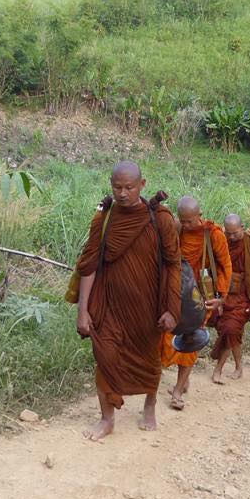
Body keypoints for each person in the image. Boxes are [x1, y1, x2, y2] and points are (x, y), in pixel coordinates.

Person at [75, 161, 181, 441]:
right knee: (105, 356)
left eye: (129, 187)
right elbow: (89, 265)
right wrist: (82, 311)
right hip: (109, 306)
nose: (122, 193)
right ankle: (107, 418)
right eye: (117, 187)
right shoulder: (105, 218)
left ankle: (149, 404)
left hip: (147, 308)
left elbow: (173, 264)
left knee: (148, 359)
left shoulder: (161, 220)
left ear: (142, 185)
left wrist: (172, 308)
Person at [161, 196, 231, 410]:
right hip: (175, 292)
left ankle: (178, 390)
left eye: (191, 221)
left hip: (198, 297)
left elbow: (225, 264)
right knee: (166, 337)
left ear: (199, 216)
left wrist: (222, 296)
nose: (187, 224)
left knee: (190, 341)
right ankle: (183, 379)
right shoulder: (177, 229)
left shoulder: (214, 234)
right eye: (183, 220)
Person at [212, 214, 250, 384]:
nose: (231, 237)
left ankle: (218, 369)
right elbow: (215, 267)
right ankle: (239, 367)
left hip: (245, 294)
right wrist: (216, 295)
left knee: (231, 328)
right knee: (231, 331)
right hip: (224, 293)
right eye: (228, 233)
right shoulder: (222, 241)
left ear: (242, 227)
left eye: (235, 233)